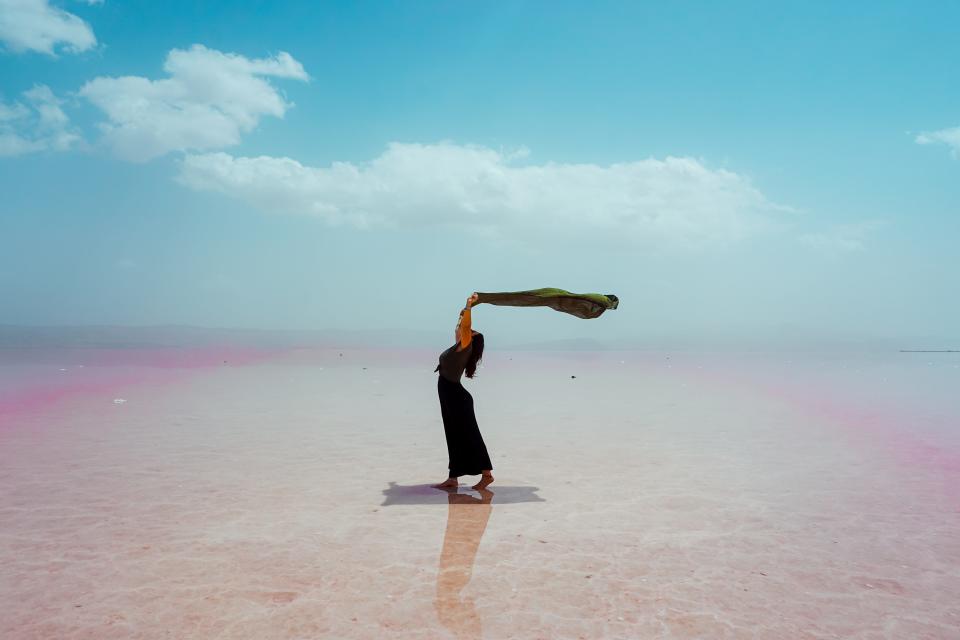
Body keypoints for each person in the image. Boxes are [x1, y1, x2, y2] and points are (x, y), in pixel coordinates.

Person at [432, 292, 494, 491]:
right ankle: (453, 478)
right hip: (450, 396)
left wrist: (469, 306)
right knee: (453, 435)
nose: (463, 330)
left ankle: (487, 475)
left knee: (470, 435)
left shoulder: (465, 348)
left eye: (469, 331)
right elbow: (460, 326)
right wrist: (463, 311)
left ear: (471, 338)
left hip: (456, 397)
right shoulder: (457, 346)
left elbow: (464, 327)